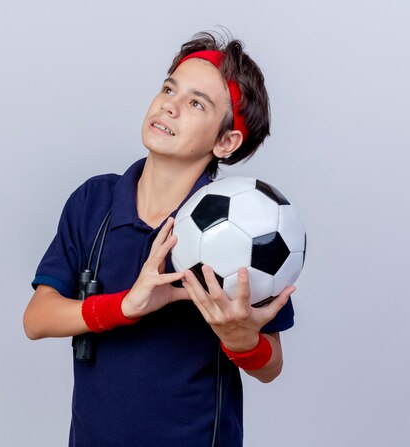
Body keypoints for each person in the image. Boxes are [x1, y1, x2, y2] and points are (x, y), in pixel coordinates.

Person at [23, 30, 296, 447]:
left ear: (226, 141)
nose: (169, 104)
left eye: (195, 103)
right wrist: (126, 307)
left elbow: (270, 365)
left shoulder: (246, 222)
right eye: (169, 88)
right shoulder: (94, 202)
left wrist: (243, 342)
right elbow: (37, 319)